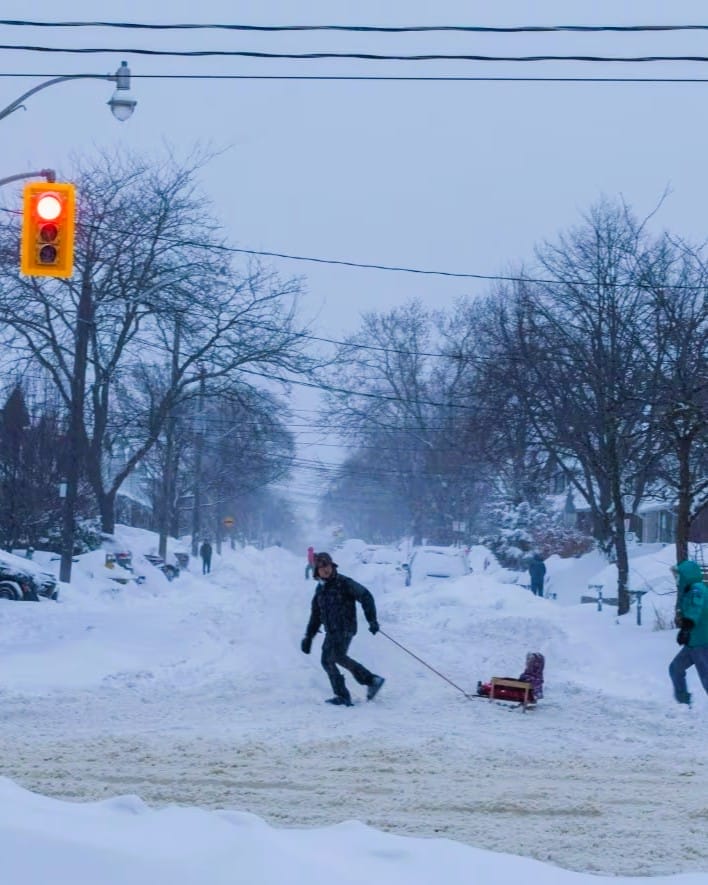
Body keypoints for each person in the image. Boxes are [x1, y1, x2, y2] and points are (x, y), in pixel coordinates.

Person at [300, 551, 385, 706]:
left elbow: (365, 596)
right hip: (332, 630)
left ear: (333, 566)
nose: (326, 569)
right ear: (316, 571)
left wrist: (372, 620)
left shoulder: (344, 583)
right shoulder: (320, 591)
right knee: (339, 657)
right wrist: (308, 637)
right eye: (321, 567)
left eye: (328, 565)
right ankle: (371, 680)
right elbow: (315, 616)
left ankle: (343, 696)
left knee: (327, 660)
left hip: (344, 628)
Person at [669, 559, 708, 706]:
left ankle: (684, 704)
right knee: (675, 668)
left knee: (706, 679)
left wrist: (686, 628)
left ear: (687, 575)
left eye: (678, 575)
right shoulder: (690, 590)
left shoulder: (697, 591)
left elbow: (695, 610)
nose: (676, 578)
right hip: (693, 642)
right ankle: (684, 704)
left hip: (703, 642)